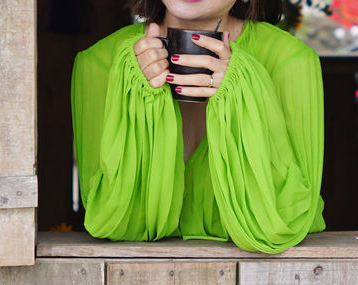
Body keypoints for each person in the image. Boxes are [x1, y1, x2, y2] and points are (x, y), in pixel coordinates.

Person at [71, 0, 326, 254]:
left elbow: (284, 223)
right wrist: (134, 94)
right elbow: (108, 221)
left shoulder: (291, 63)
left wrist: (243, 90)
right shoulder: (100, 63)